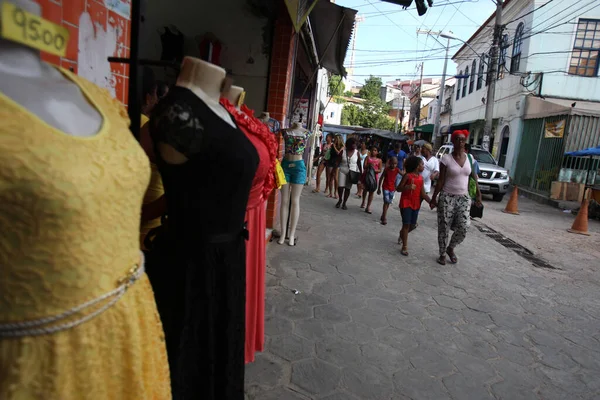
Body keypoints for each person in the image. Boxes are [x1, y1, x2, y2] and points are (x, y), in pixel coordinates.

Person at [430, 130, 482, 266]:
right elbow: (440, 181)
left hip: (464, 197)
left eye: (463, 140)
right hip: (447, 197)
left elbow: (473, 177)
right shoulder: (446, 159)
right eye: (458, 139)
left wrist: (478, 194)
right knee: (444, 226)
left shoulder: (470, 158)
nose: (461, 142)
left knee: (464, 226)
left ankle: (451, 247)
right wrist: (433, 197)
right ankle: (442, 253)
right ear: (453, 141)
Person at [397, 156, 431, 256]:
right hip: (406, 202)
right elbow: (398, 188)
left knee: (413, 225)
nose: (423, 166)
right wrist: (407, 187)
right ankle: (404, 247)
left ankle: (402, 234)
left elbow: (423, 194)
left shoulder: (421, 179)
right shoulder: (407, 176)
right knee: (406, 224)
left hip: (416, 204)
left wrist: (433, 202)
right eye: (422, 164)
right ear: (416, 166)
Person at [336, 137, 362, 210]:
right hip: (342, 170)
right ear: (349, 144)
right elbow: (338, 161)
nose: (354, 145)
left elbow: (359, 163)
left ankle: (344, 202)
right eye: (353, 143)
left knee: (348, 188)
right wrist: (335, 169)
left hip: (352, 172)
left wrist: (361, 173)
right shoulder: (343, 151)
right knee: (340, 187)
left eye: (355, 144)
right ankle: (340, 199)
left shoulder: (357, 152)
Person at [377, 156, 401, 225]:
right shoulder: (386, 169)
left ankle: (383, 214)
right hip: (385, 187)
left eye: (395, 164)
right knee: (386, 202)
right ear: (389, 163)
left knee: (388, 202)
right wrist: (379, 188)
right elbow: (381, 178)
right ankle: (384, 217)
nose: (394, 165)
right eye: (392, 163)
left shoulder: (397, 170)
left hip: (392, 189)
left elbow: (404, 175)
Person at [360, 146, 382, 213]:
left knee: (371, 192)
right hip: (366, 176)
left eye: (375, 150)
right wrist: (369, 165)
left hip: (374, 177)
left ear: (377, 152)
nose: (373, 152)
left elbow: (380, 170)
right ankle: (363, 201)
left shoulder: (379, 160)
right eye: (372, 150)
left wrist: (375, 170)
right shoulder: (367, 158)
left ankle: (368, 206)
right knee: (365, 189)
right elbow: (364, 166)